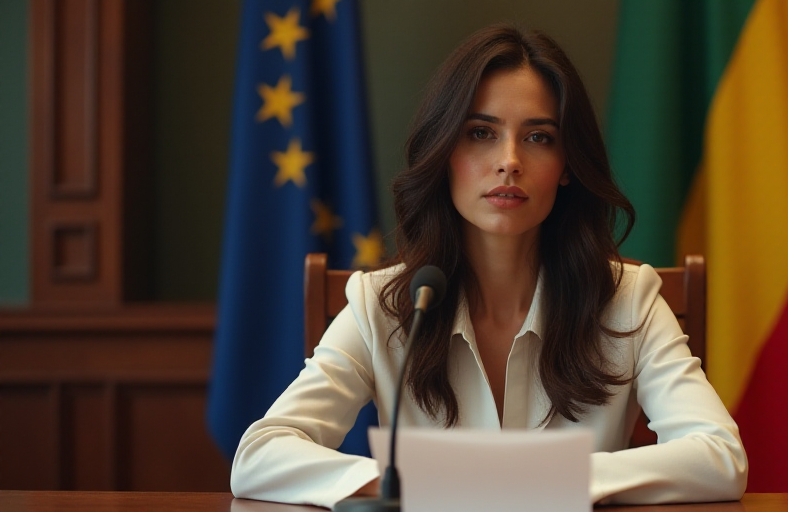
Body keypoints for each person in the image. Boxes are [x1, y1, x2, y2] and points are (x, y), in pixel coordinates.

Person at [230, 23, 747, 507]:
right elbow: (259, 454)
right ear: (444, 149)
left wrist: (552, 483)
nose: (509, 160)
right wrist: (400, 487)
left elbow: (720, 457)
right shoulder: (382, 304)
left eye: (539, 137)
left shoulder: (626, 299)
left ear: (567, 166)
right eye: (481, 132)